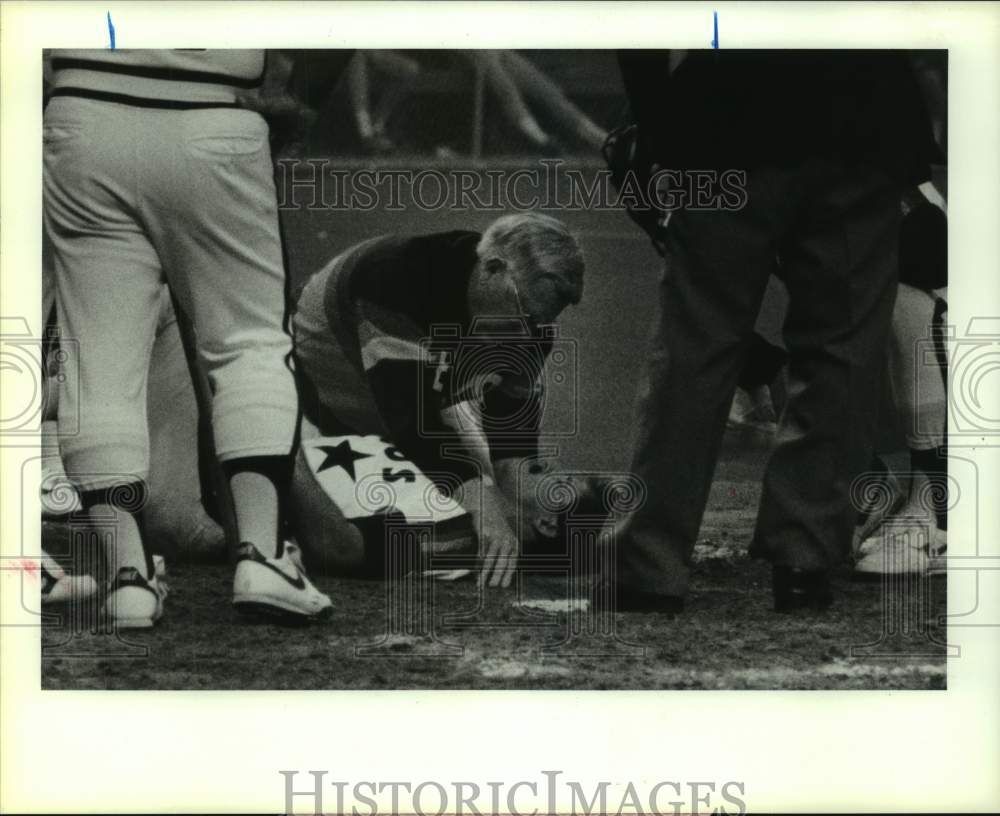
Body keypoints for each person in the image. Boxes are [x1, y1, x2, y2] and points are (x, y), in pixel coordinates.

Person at [604, 50, 941, 613]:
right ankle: (805, 561)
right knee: (842, 352)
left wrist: (657, 128)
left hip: (724, 118)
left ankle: (646, 566)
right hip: (865, 114)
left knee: (695, 345)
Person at [43, 49, 331, 627]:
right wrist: (302, 93)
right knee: (247, 342)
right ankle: (264, 558)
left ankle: (128, 580)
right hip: (212, 110)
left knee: (97, 359)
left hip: (83, 110)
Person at [291, 213, 585, 587]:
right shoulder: (397, 278)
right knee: (336, 536)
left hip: (410, 402)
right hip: (310, 393)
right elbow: (412, 424)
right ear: (493, 269)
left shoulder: (533, 328)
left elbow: (511, 440)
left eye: (541, 322)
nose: (526, 336)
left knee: (486, 511)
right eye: (522, 314)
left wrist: (519, 500)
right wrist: (488, 505)